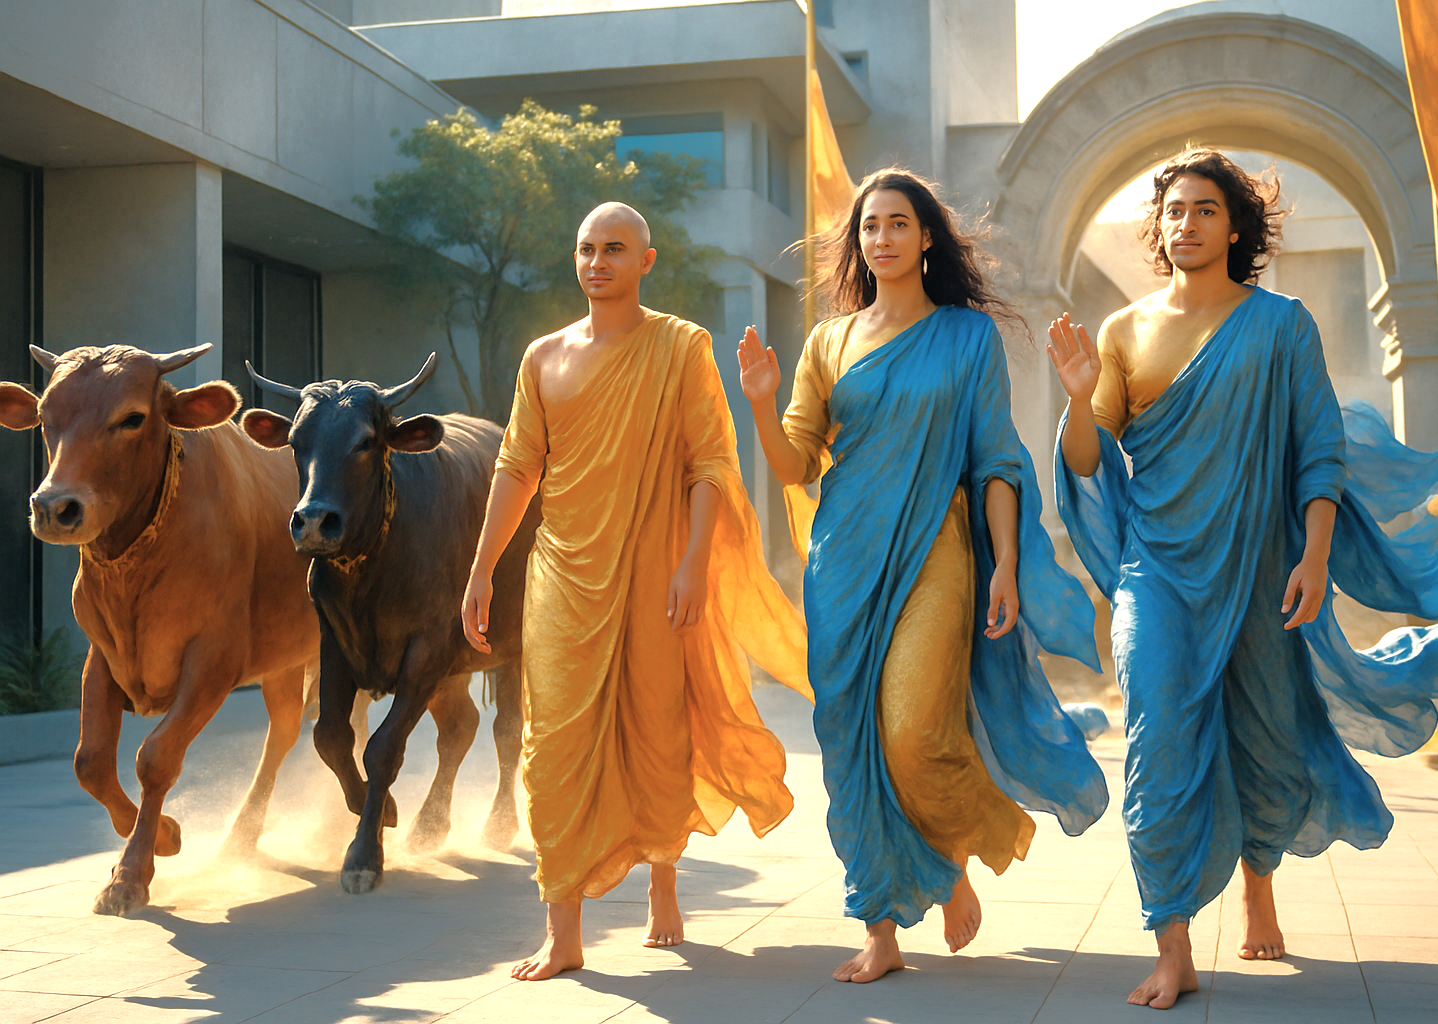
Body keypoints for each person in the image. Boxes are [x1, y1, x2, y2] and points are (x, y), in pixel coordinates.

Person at [1049, 147, 1438, 1009]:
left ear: (1236, 226)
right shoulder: (1123, 332)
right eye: (1173, 211)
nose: (1185, 224)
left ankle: (1259, 877)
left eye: (1204, 210)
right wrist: (1079, 399)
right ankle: (1173, 938)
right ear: (1159, 228)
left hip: (1264, 569)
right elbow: (1085, 465)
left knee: (1265, 736)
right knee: (1155, 738)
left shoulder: (1281, 325)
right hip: (1158, 572)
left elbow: (1318, 450)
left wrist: (1316, 553)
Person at [738, 168, 1108, 984]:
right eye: (870, 226)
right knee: (851, 742)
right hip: (843, 561)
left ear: (928, 236)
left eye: (898, 223)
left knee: (911, 731)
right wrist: (763, 404)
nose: (882, 238)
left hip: (938, 552)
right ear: (858, 242)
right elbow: (796, 464)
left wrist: (1005, 563)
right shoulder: (828, 343)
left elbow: (995, 461)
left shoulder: (967, 337)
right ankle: (879, 923)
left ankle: (950, 856)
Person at [461, 202, 810, 981]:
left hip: (655, 574)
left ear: (645, 260)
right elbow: (518, 467)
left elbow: (710, 463)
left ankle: (662, 876)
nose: (598, 262)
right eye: (586, 248)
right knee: (550, 747)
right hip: (561, 575)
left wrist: (692, 562)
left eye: (615, 249)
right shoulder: (542, 357)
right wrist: (482, 567)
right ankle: (564, 929)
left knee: (656, 731)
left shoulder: (680, 346)